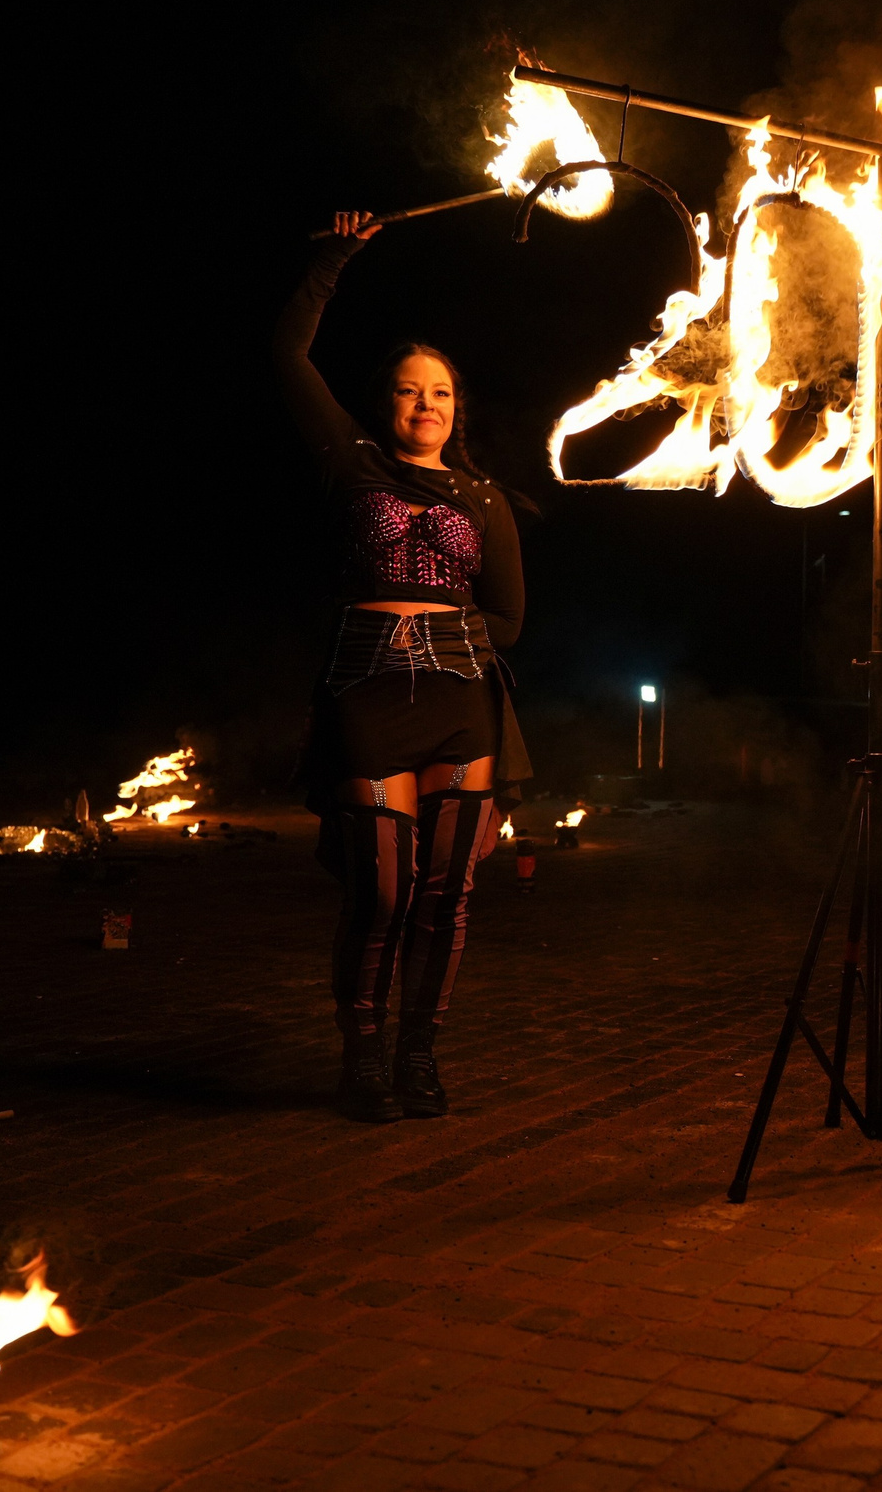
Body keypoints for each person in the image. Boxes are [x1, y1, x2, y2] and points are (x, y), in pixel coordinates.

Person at [273, 210, 533, 1122]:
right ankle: (365, 1055)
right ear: (386, 401)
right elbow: (284, 354)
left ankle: (420, 1056)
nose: (426, 405)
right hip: (368, 697)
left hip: (462, 706)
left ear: (458, 411)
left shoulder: (484, 498)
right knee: (380, 891)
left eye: (443, 395)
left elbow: (507, 615)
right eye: (410, 391)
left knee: (446, 895)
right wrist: (335, 252)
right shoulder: (351, 464)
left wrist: (450, 642)